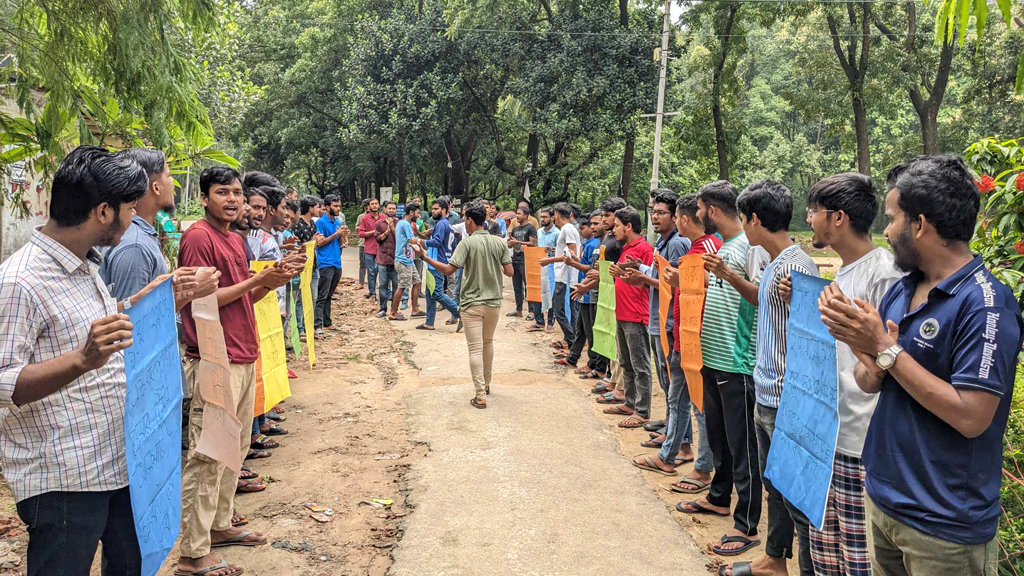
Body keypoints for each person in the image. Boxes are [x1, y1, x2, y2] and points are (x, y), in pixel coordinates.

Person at [820, 155, 1022, 576]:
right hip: (884, 501)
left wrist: (886, 352)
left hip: (942, 525)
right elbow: (870, 380)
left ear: (921, 225)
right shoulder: (902, 289)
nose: (887, 231)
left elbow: (971, 416)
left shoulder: (986, 304)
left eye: (893, 219)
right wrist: (865, 352)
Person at [0, 146, 188, 575]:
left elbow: (88, 331)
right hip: (64, 480)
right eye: (129, 207)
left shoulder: (85, 266)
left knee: (132, 565)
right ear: (104, 211)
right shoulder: (19, 282)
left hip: (116, 462)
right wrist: (82, 360)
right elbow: (2, 381)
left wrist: (147, 303)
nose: (134, 217)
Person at [176, 166, 295, 576]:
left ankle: (220, 525)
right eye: (222, 192)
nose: (232, 200)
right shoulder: (197, 237)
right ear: (205, 197)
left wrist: (272, 279)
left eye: (237, 193)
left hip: (242, 354)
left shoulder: (234, 238)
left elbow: (245, 292)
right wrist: (254, 281)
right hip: (213, 357)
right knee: (209, 454)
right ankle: (192, 553)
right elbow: (200, 299)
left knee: (235, 449)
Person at [781, 172, 900, 576]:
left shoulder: (882, 273)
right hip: (829, 435)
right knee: (826, 552)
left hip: (860, 441)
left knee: (859, 558)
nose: (809, 219)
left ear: (838, 218)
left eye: (814, 211)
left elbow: (888, 356)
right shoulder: (846, 273)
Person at [714, 181, 818, 576]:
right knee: (776, 484)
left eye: (744, 219)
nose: (744, 227)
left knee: (793, 494)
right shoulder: (776, 263)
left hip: (785, 394)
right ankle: (774, 558)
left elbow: (810, 333)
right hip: (767, 388)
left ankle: (799, 564)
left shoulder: (795, 266)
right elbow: (762, 299)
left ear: (754, 220)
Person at [675, 181, 768, 560]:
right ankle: (718, 497)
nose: (697, 216)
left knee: (743, 445)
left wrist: (728, 275)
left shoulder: (750, 247)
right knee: (720, 438)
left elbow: (763, 298)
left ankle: (746, 524)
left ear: (711, 210)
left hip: (738, 362)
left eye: (699, 209)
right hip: (713, 359)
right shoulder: (726, 248)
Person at [415, 201, 513, 408]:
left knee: (475, 348)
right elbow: (510, 272)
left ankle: (479, 395)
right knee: (488, 343)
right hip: (494, 302)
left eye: (465, 219)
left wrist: (425, 258)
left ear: (469, 220)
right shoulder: (499, 242)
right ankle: (486, 384)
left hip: (471, 303)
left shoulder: (466, 243)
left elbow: (449, 270)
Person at [659, 193, 722, 504]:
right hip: (686, 335)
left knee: (699, 405)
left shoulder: (710, 247)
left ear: (683, 218)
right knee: (678, 397)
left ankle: (703, 467)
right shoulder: (697, 248)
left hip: (698, 337)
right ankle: (670, 454)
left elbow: (713, 285)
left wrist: (679, 279)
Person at [620, 190, 690, 445]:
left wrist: (643, 279)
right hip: (658, 319)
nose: (655, 217)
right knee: (666, 379)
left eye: (661, 212)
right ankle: (671, 428)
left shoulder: (677, 243)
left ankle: (679, 440)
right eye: (653, 212)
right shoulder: (663, 242)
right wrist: (638, 268)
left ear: (675, 216)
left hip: (670, 321)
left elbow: (676, 284)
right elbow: (659, 273)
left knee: (674, 386)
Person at [603, 207, 654, 429]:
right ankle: (630, 402)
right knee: (626, 362)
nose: (613, 230)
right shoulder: (626, 249)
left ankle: (642, 410)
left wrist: (625, 273)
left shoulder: (644, 249)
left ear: (629, 226)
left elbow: (648, 279)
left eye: (616, 225)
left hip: (636, 314)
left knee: (640, 364)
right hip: (622, 312)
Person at [561, 214, 600, 370]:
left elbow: (591, 269)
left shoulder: (594, 245)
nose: (581, 232)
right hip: (584, 289)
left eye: (583, 228)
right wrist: (576, 260)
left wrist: (572, 263)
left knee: (589, 329)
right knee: (581, 327)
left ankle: (593, 363)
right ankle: (573, 357)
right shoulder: (590, 244)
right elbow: (586, 265)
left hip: (589, 290)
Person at [541, 203, 580, 352]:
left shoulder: (567, 229)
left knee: (558, 309)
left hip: (565, 276)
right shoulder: (570, 229)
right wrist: (554, 251)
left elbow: (571, 254)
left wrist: (549, 260)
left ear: (556, 215)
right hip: (566, 275)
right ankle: (572, 340)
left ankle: (571, 339)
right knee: (570, 309)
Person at [420, 198, 461, 330]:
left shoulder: (442, 224)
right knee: (430, 293)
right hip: (436, 262)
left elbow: (437, 242)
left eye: (436, 209)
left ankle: (460, 313)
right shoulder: (445, 224)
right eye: (432, 209)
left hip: (436, 263)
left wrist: (420, 241)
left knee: (436, 293)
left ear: (444, 210)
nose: (433, 211)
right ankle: (429, 322)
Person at [292, 195, 325, 340]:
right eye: (317, 206)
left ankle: (308, 326)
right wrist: (313, 241)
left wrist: (317, 241)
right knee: (300, 299)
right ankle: (300, 329)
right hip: (301, 266)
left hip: (314, 265)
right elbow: (296, 247)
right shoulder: (297, 225)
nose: (319, 209)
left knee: (313, 297)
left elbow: (313, 243)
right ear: (310, 208)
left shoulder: (312, 223)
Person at [315, 194, 347, 336]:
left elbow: (338, 243)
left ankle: (327, 322)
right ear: (327, 207)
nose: (337, 208)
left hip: (336, 262)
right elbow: (319, 243)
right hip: (325, 263)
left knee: (329, 294)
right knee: (322, 295)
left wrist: (343, 237)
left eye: (339, 205)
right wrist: (336, 234)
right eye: (335, 206)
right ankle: (317, 325)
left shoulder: (337, 223)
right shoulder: (320, 223)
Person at [391, 201, 422, 320]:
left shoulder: (401, 223)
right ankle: (393, 312)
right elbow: (412, 240)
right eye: (417, 213)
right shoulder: (405, 224)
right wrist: (422, 247)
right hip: (403, 260)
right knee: (402, 286)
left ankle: (415, 309)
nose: (418, 216)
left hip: (408, 259)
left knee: (416, 281)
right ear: (411, 213)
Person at [531, 208, 560, 333]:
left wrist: (551, 250)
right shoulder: (539, 232)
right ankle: (539, 321)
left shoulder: (557, 233)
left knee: (551, 293)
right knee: (538, 291)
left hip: (552, 267)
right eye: (541, 217)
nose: (543, 219)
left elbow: (559, 251)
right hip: (539, 266)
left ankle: (550, 323)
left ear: (552, 218)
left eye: (545, 217)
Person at [507, 206, 538, 319]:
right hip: (515, 258)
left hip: (526, 259)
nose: (517, 216)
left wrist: (517, 241)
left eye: (519, 214)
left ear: (526, 215)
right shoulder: (515, 229)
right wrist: (510, 243)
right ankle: (518, 310)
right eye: (517, 213)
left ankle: (532, 311)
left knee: (528, 286)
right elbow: (513, 243)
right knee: (516, 286)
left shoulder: (531, 228)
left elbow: (532, 243)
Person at [375, 201, 399, 319]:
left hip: (395, 259)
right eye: (389, 208)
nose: (391, 210)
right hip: (383, 258)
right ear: (384, 209)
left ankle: (394, 309)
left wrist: (392, 228)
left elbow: (400, 239)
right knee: (383, 284)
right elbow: (377, 239)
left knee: (396, 285)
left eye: (393, 209)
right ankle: (383, 308)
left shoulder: (399, 223)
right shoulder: (379, 223)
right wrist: (386, 232)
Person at [358, 198, 383, 299]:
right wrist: (374, 232)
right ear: (368, 206)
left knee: (381, 271)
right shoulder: (364, 218)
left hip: (381, 249)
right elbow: (361, 233)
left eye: (376, 204)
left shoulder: (383, 217)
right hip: (369, 249)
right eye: (372, 204)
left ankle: (385, 293)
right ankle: (372, 292)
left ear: (379, 205)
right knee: (371, 271)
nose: (374, 206)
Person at [356, 198, 370, 291]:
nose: (368, 208)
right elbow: (357, 228)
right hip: (363, 243)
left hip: (374, 244)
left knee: (374, 265)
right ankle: (361, 282)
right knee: (362, 264)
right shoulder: (361, 217)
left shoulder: (379, 217)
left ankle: (371, 283)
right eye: (366, 206)